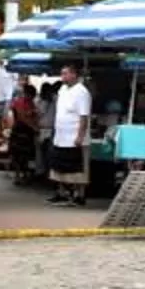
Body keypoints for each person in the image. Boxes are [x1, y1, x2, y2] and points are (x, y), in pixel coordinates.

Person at [47, 61, 92, 206]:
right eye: (62, 73)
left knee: (78, 168)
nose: (62, 76)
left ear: (74, 75)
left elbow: (83, 116)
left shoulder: (82, 92)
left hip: (74, 136)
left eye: (65, 73)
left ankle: (80, 195)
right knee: (59, 166)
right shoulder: (62, 90)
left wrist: (79, 136)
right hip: (60, 136)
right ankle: (61, 193)